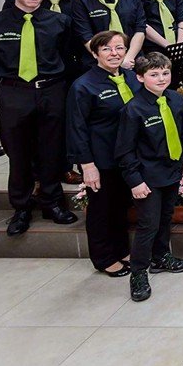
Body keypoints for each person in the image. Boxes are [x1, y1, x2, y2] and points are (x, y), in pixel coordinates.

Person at [0, 0, 78, 236]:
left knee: (52, 151)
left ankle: (52, 203)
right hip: (13, 93)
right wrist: (8, 91)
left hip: (51, 90)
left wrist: (56, 88)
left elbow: (67, 58)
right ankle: (22, 207)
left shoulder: (59, 22)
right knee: (18, 153)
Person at [115, 52, 183, 302]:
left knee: (166, 216)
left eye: (165, 73)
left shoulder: (175, 100)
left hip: (171, 170)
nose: (161, 78)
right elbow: (124, 151)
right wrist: (135, 181)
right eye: (154, 74)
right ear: (139, 77)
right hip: (146, 176)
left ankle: (161, 257)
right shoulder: (133, 110)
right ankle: (138, 272)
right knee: (148, 223)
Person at [3, 0, 83, 185]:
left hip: (67, 71)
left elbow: (73, 41)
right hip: (29, 79)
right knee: (31, 132)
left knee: (64, 123)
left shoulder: (77, 0)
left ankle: (65, 167)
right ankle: (37, 177)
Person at [67, 31, 142, 276]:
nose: (114, 53)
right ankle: (102, 258)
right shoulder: (83, 85)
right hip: (101, 158)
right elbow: (76, 128)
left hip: (127, 157)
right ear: (95, 52)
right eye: (107, 49)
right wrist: (87, 165)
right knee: (101, 209)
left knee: (120, 206)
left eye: (120, 48)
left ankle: (121, 250)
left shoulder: (131, 78)